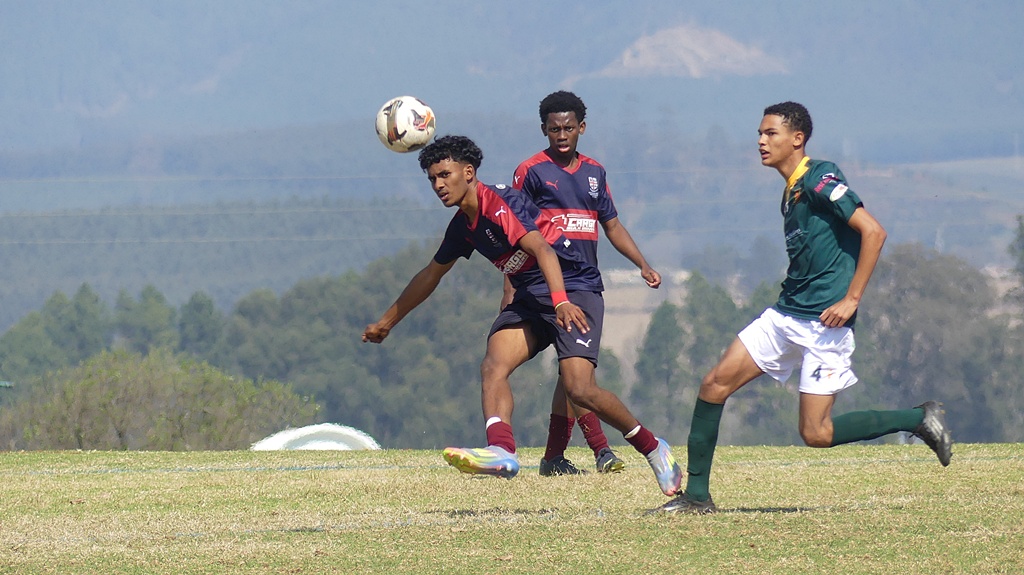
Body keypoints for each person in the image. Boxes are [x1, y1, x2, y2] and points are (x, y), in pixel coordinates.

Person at [659, 102, 953, 514]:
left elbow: (874, 232)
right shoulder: (791, 190)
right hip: (785, 315)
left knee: (816, 433)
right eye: (760, 134)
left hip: (825, 325)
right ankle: (697, 497)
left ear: (797, 139)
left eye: (771, 133)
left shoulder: (819, 179)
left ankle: (917, 418)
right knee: (713, 385)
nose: (761, 141)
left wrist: (851, 299)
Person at [362, 135, 682, 497]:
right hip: (531, 297)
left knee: (580, 388)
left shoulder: (499, 202)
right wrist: (387, 322)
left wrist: (561, 302)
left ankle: (654, 448)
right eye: (432, 179)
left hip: (574, 288)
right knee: (493, 366)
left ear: (468, 173)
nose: (438, 185)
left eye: (444, 175)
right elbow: (430, 275)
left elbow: (543, 251)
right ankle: (502, 449)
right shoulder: (461, 226)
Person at [506, 90, 662, 477]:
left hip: (586, 287)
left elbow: (611, 224)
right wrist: (510, 287)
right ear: (543, 129)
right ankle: (600, 450)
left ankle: (558, 457)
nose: (562, 135)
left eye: (569, 128)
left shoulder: (595, 173)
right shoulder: (531, 171)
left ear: (582, 129)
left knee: (573, 374)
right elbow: (515, 231)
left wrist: (642, 263)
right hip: (544, 287)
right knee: (576, 376)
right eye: (554, 129)